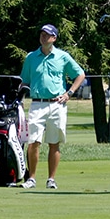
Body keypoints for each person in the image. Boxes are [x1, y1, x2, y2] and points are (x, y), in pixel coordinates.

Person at [20, 24, 85, 190]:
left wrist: (69, 93)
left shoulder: (62, 56)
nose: (43, 37)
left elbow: (80, 74)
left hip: (57, 104)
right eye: (42, 34)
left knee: (54, 143)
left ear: (54, 38)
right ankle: (32, 178)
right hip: (37, 103)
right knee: (33, 142)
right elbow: (24, 81)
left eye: (47, 35)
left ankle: (51, 179)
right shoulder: (31, 57)